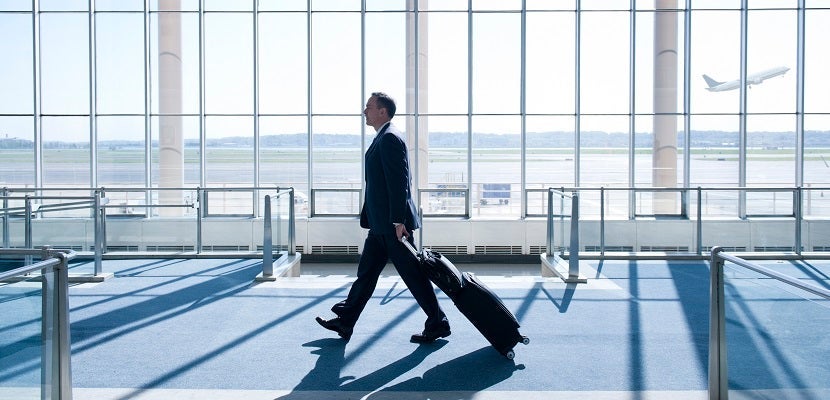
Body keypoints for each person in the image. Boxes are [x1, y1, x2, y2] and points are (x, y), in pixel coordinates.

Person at [315, 92, 451, 343]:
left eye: (368, 107)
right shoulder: (384, 137)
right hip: (381, 226)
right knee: (366, 274)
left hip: (392, 226)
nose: (364, 111)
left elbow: (400, 183)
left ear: (382, 111)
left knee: (413, 276)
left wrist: (399, 221)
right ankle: (346, 322)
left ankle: (438, 322)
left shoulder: (389, 138)